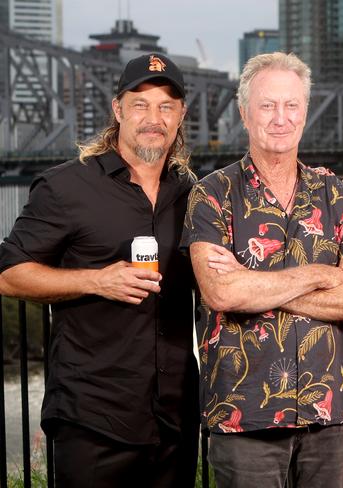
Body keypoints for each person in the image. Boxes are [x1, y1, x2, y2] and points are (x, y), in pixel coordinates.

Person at [0, 53, 199, 487]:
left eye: (166, 106)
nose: (154, 117)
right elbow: (10, 273)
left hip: (175, 418)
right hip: (92, 417)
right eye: (140, 104)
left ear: (181, 115)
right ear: (117, 110)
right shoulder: (67, 185)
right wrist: (97, 279)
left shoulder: (193, 194)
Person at [181, 52, 343, 488]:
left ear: (305, 112)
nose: (280, 118)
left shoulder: (337, 194)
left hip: (330, 410)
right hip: (243, 410)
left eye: (291, 105)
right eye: (268, 105)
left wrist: (256, 285)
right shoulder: (211, 195)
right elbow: (222, 295)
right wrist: (318, 274)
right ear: (245, 112)